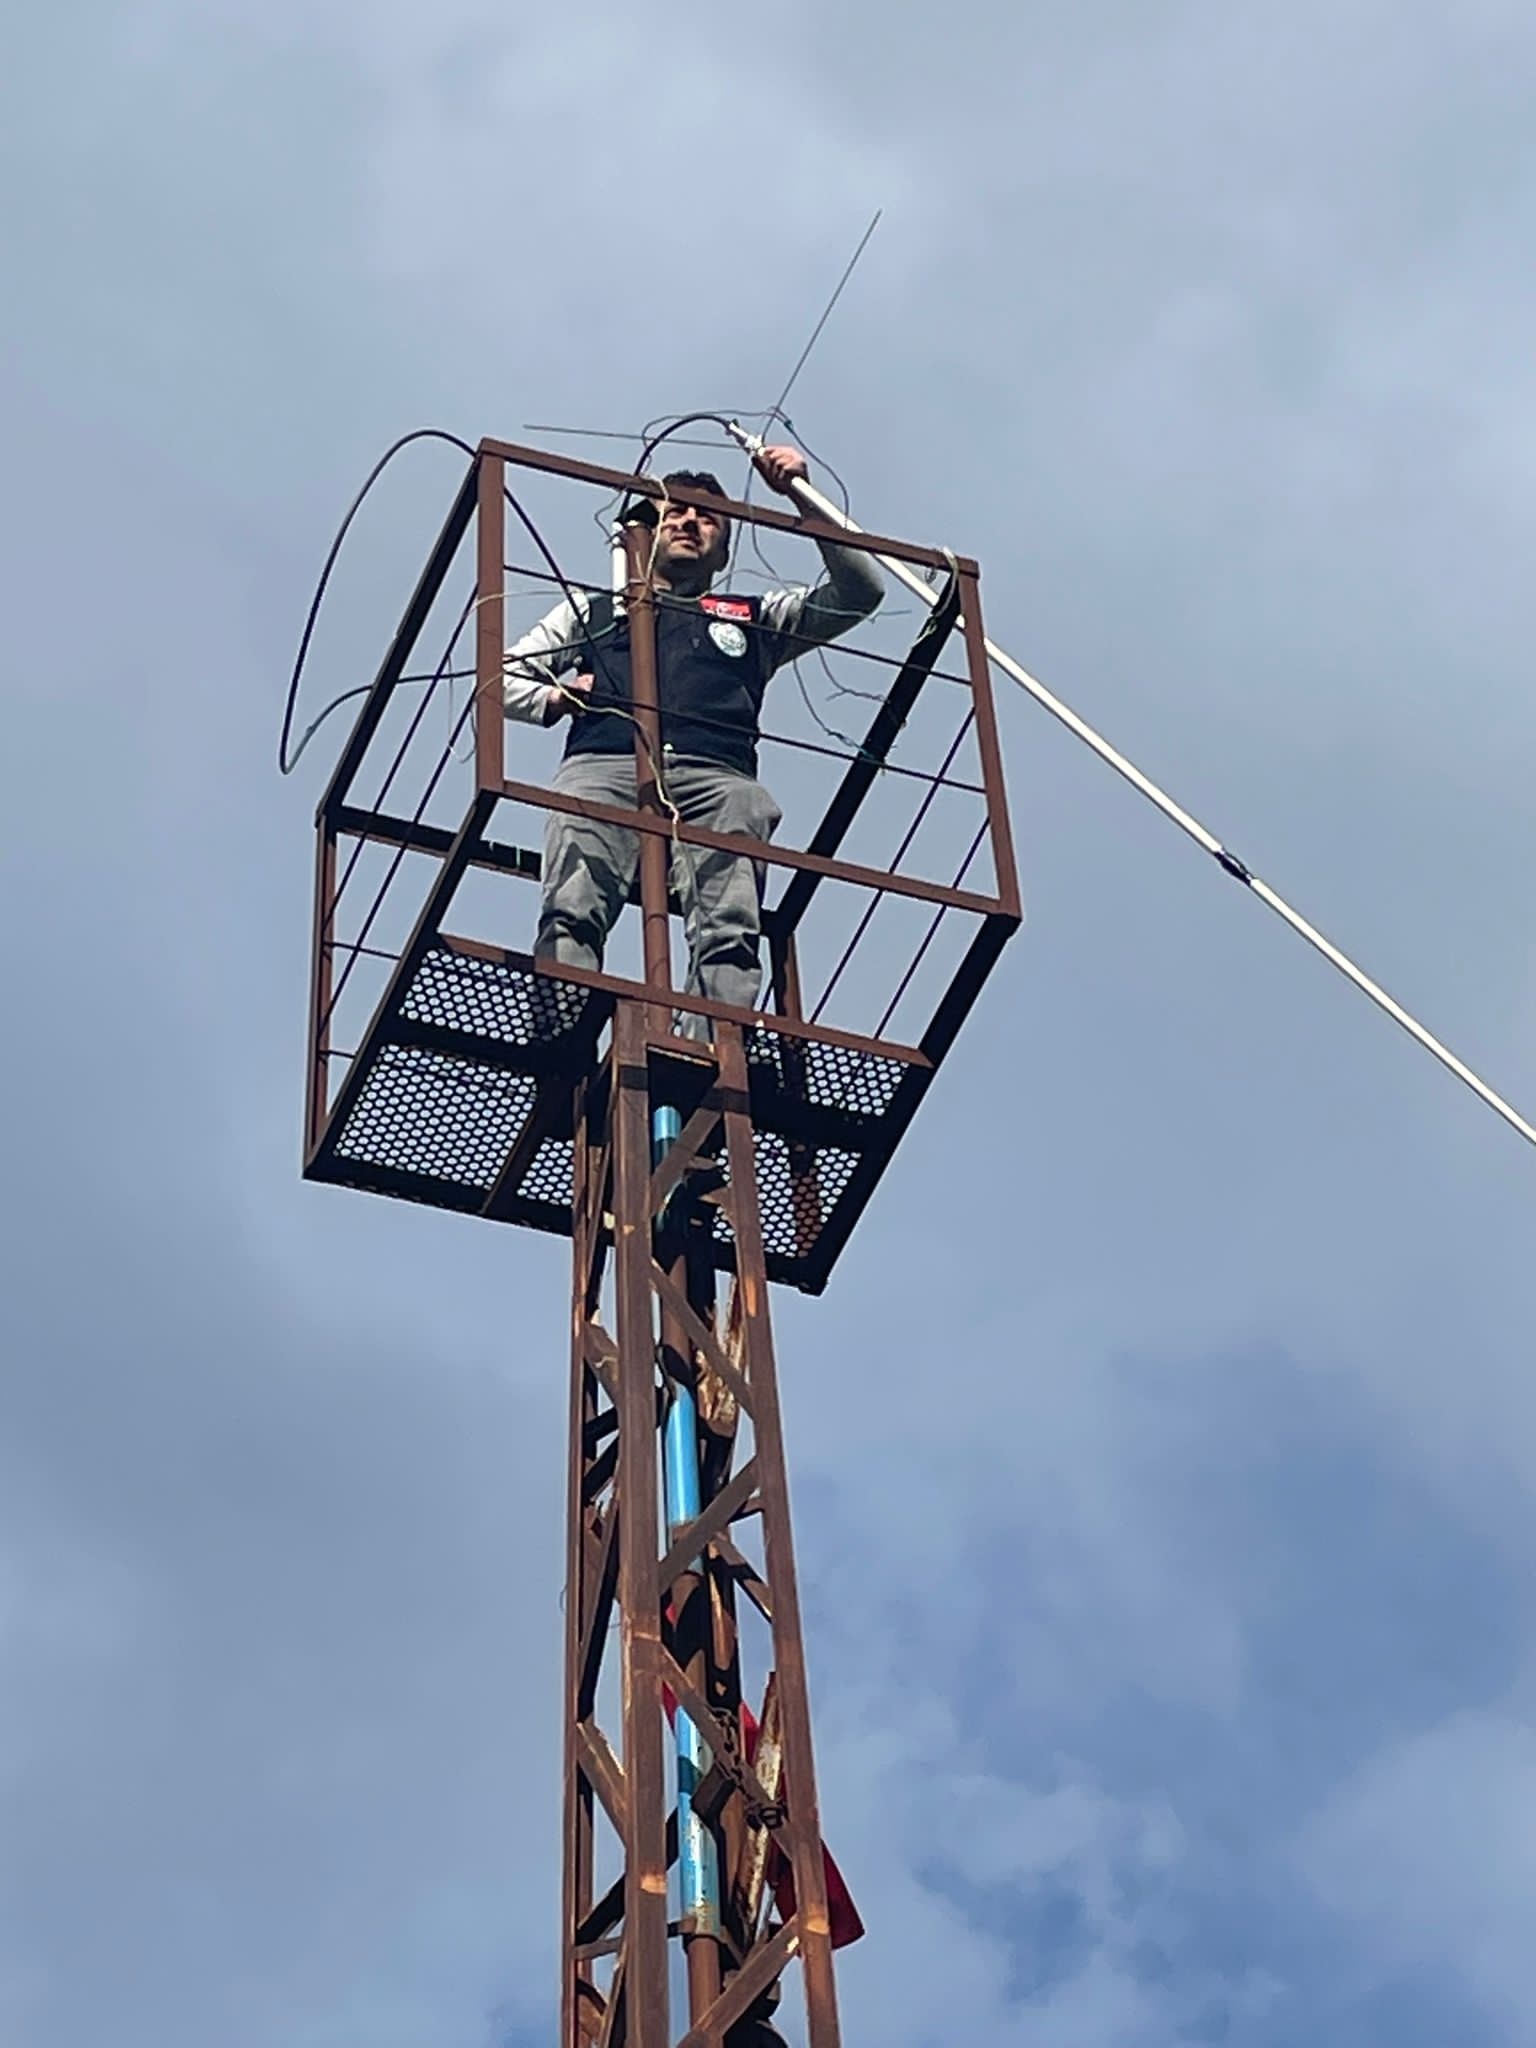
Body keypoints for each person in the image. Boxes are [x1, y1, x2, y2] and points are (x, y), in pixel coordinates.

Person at [502, 447, 883, 1032]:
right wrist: (554, 698)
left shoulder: (753, 616)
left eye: (707, 519)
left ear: (723, 548)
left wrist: (801, 496)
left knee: (728, 927)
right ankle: (562, 1036)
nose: (688, 523)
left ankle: (713, 1049)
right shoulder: (595, 612)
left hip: (717, 776)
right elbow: (498, 677)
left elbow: (859, 592)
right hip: (605, 762)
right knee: (572, 908)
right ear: (645, 532)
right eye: (673, 513)